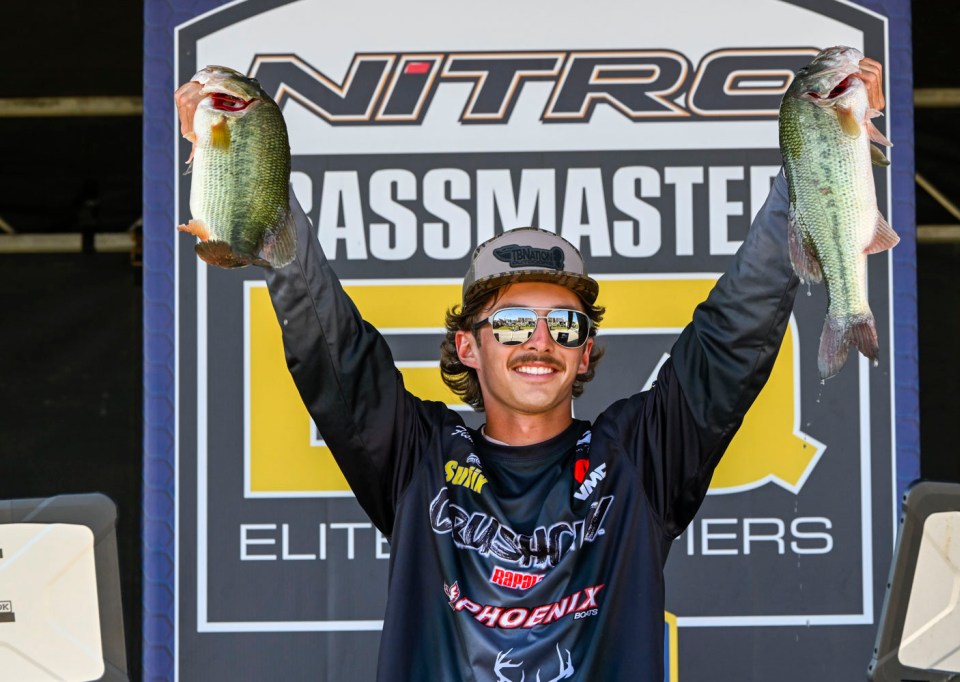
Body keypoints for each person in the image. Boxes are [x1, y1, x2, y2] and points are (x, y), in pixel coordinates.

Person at [179, 56, 884, 681]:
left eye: (563, 325)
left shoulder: (641, 457)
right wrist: (245, 164)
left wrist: (823, 152)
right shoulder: (414, 457)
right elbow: (330, 345)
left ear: (585, 350)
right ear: (468, 346)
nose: (538, 341)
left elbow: (733, 333)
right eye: (513, 323)